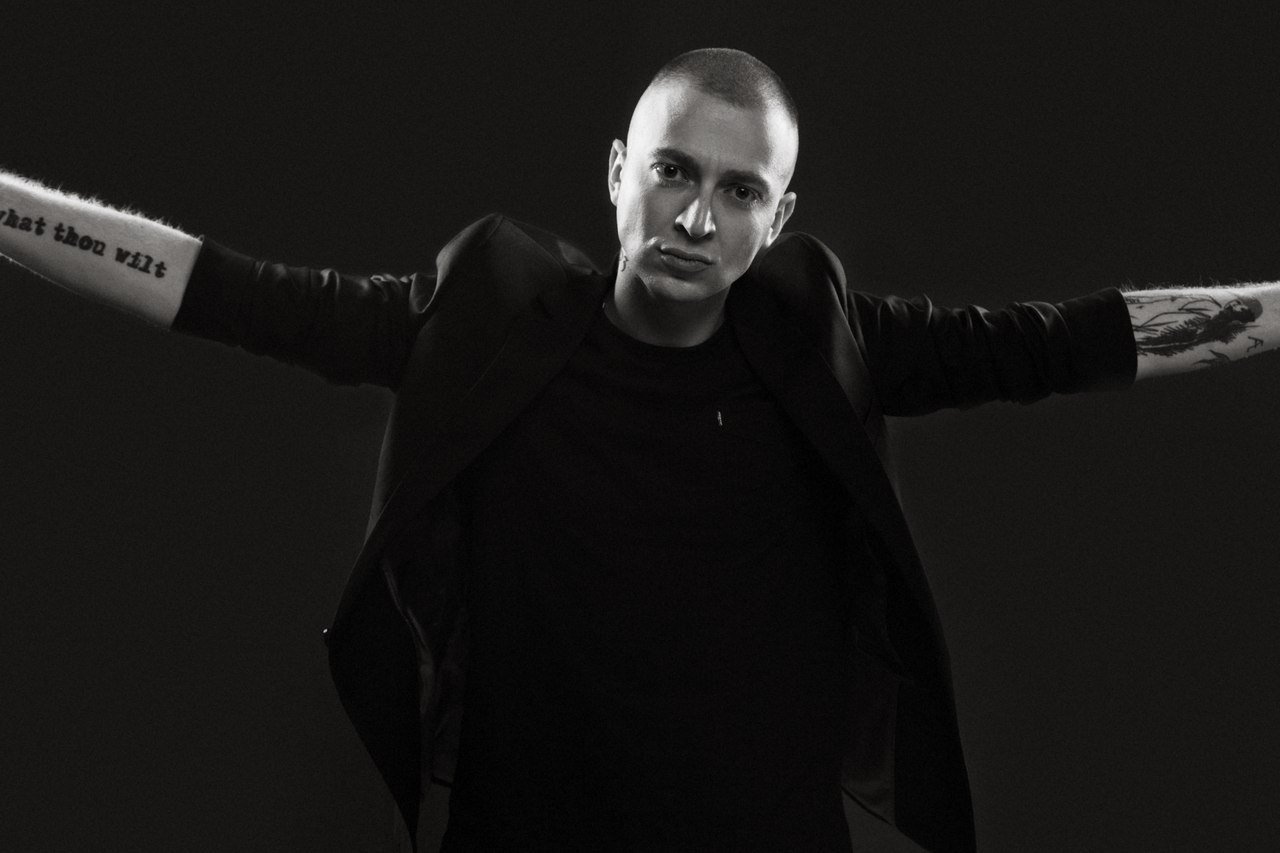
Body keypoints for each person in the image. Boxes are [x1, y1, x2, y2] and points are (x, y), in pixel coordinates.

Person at [0, 47, 1273, 852]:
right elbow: (224, 291)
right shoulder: (485, 321)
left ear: (776, 218)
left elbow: (1062, 342)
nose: (694, 218)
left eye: (736, 192)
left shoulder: (820, 337)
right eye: (671, 172)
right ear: (617, 172)